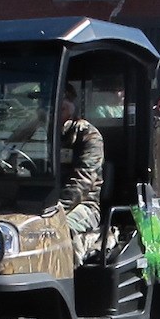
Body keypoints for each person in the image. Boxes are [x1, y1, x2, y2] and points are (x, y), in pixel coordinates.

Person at [59, 85, 104, 266]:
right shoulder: (42, 133)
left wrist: (55, 212)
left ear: (71, 107)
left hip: (84, 205)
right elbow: (11, 151)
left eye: (61, 107)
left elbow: (82, 181)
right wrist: (33, 123)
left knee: (58, 231)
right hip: (39, 203)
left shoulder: (88, 135)